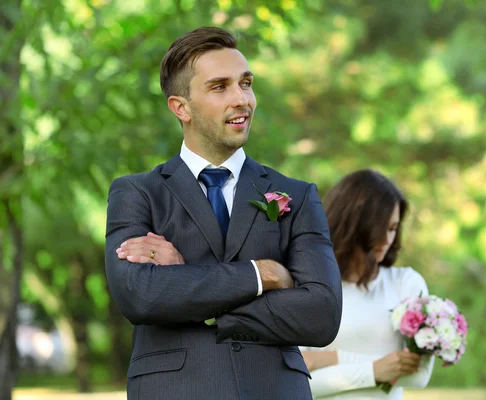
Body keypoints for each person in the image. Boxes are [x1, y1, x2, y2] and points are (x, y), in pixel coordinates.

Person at [104, 27, 343, 400]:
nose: (242, 99)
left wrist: (189, 285)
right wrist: (263, 273)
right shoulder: (137, 192)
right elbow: (140, 295)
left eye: (245, 83)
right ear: (180, 107)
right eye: (220, 87)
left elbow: (321, 314)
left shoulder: (297, 195)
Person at [300, 169, 434, 399]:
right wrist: (373, 370)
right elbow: (297, 383)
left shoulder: (407, 283)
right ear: (352, 224)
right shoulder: (309, 284)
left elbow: (419, 376)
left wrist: (332, 359)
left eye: (392, 228)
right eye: (379, 228)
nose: (387, 240)